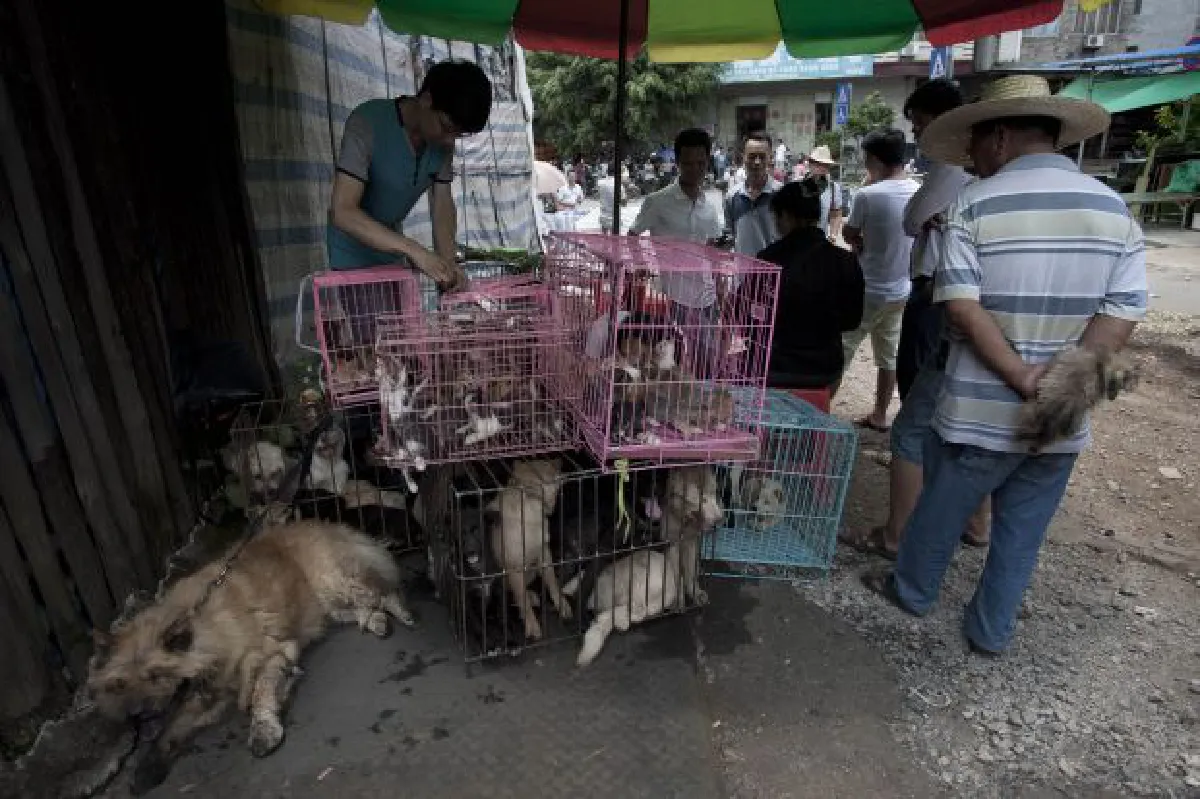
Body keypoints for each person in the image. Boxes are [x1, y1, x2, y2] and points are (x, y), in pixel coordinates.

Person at [864, 75, 1144, 656]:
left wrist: (1021, 377)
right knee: (1022, 532)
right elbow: (1121, 316)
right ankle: (990, 630)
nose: (969, 157)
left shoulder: (974, 203)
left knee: (940, 511)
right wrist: (1059, 386)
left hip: (978, 412)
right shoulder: (1115, 209)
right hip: (1060, 416)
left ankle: (912, 591)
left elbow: (962, 307)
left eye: (973, 144)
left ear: (998, 137)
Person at [854, 79, 985, 560]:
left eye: (921, 123)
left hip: (937, 295)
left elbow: (915, 220)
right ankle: (974, 521)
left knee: (917, 415)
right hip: (939, 293)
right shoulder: (974, 172)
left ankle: (900, 535)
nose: (919, 134)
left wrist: (930, 218)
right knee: (960, 405)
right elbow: (915, 217)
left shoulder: (950, 168)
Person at [328, 60, 491, 292]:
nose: (449, 140)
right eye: (446, 127)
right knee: (371, 323)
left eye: (458, 134)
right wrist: (414, 250)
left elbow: (442, 204)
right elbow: (343, 212)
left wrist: (448, 265)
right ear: (426, 99)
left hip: (391, 251)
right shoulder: (368, 122)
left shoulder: (442, 144)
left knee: (398, 325)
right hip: (352, 255)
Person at [841, 129, 921, 431]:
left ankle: (823, 407)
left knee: (843, 347)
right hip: (902, 289)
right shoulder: (917, 191)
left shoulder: (868, 195)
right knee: (889, 355)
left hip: (867, 288)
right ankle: (879, 414)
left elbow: (849, 233)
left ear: (874, 159)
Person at [628, 128, 724, 374]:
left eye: (700, 163)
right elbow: (633, 235)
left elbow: (712, 252)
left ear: (708, 162)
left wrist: (721, 295)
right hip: (674, 297)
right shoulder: (658, 202)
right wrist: (642, 265)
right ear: (678, 163)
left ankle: (703, 405)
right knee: (672, 362)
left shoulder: (709, 208)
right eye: (687, 163)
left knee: (707, 362)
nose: (694, 169)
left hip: (708, 298)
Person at [756, 178, 866, 393]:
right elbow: (852, 321)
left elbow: (750, 318)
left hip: (776, 367)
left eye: (777, 217)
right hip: (825, 370)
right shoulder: (845, 260)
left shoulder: (767, 260)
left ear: (785, 216)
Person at [725, 131, 782, 256]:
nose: (757, 162)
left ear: (770, 157)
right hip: (742, 272)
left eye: (762, 156)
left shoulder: (782, 195)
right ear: (743, 157)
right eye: (751, 156)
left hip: (773, 272)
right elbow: (729, 236)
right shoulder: (732, 196)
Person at [805, 145, 848, 240]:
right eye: (818, 163)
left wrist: (833, 236)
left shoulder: (833, 187)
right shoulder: (797, 184)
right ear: (810, 164)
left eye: (825, 164)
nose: (822, 167)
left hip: (820, 241)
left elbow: (836, 214)